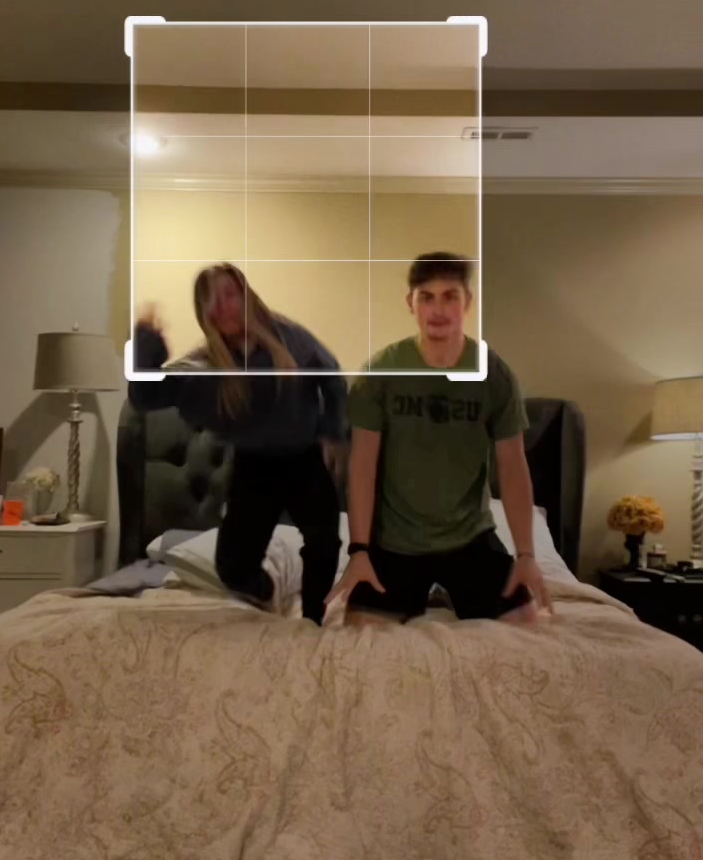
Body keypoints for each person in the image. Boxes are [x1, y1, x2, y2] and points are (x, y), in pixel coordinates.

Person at [326, 251, 551, 625]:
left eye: (450, 296)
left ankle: (450, 590)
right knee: (360, 633)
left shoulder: (494, 375)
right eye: (427, 297)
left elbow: (513, 467)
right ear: (410, 303)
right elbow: (362, 466)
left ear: (467, 302)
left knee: (526, 627)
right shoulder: (380, 373)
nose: (438, 309)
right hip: (395, 541)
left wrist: (526, 555)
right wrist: (359, 550)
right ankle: (427, 590)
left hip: (469, 538)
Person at [129, 263, 347, 625]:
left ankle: (312, 620)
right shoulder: (204, 368)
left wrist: (332, 432)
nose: (223, 306)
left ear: (246, 298)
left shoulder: (290, 339)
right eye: (211, 300)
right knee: (232, 566)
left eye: (230, 294)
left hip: (304, 459)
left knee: (325, 541)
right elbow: (145, 396)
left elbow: (332, 376)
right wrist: (146, 344)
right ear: (203, 312)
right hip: (254, 467)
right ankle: (267, 594)